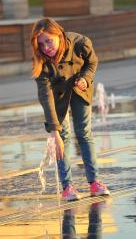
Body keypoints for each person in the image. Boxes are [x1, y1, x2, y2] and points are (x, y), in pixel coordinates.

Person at [31, 17, 110, 201]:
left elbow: (92, 63)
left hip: (79, 88)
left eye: (48, 41)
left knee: (84, 133)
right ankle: (67, 187)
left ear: (58, 34)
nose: (46, 48)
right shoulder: (41, 62)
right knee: (62, 138)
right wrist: (53, 130)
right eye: (41, 44)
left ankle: (95, 182)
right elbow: (45, 95)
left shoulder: (81, 43)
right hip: (58, 96)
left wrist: (85, 78)